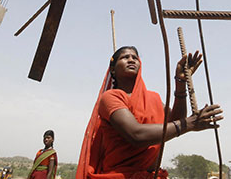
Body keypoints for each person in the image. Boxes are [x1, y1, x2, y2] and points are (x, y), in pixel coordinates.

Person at [76, 46, 223, 179]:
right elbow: (136, 134)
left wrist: (180, 82)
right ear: (113, 70)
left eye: (135, 57)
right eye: (125, 57)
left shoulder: (154, 98)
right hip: (121, 175)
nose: (131, 60)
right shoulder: (111, 97)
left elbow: (175, 122)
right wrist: (189, 124)